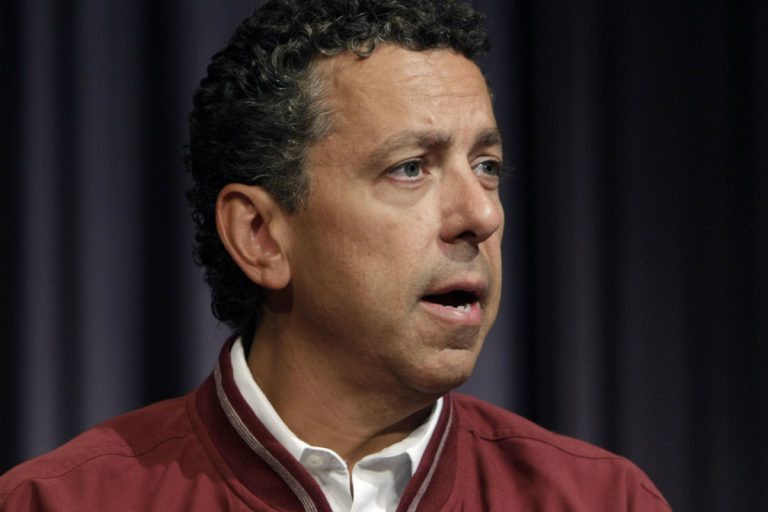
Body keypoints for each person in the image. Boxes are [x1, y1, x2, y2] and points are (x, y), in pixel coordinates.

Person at [0, 1, 671, 510]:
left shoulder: (601, 499)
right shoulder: (58, 501)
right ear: (260, 235)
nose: (482, 215)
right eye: (411, 168)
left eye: (486, 166)